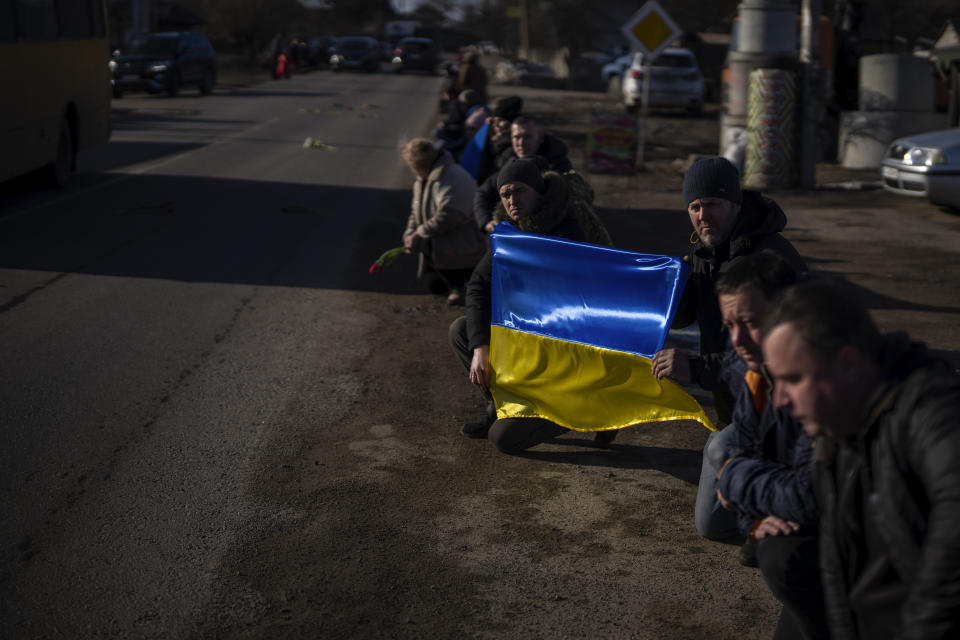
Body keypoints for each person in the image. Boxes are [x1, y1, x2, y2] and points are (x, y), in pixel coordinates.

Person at [762, 278, 960, 640]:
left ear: (848, 363)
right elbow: (841, 576)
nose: (780, 401)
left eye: (792, 379)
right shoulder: (837, 429)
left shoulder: (931, 407)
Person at [696, 253, 827, 640]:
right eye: (730, 325)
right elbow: (757, 456)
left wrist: (737, 480)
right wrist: (756, 519)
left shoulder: (830, 378)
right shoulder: (754, 374)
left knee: (785, 557)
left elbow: (818, 489)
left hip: (876, 554)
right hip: (826, 531)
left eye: (751, 322)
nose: (737, 340)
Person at [449, 158, 613, 449]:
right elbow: (478, 285)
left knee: (504, 440)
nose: (512, 200)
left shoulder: (567, 229)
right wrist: (481, 348)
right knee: (462, 330)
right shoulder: (511, 231)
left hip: (566, 350)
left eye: (520, 191)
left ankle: (597, 412)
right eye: (505, 194)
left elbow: (571, 303)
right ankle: (504, 406)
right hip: (524, 338)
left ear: (538, 191)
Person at [651, 156, 805, 426]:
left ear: (736, 204)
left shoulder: (769, 261)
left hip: (779, 406)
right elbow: (681, 320)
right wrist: (675, 289)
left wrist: (698, 368)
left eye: (712, 205)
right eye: (694, 207)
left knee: (723, 454)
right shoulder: (704, 255)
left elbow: (778, 354)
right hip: (730, 398)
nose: (703, 216)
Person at [401, 138, 486, 305]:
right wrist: (410, 233)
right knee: (432, 284)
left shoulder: (452, 176)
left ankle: (463, 287)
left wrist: (421, 232)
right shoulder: (423, 178)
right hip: (438, 247)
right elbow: (416, 210)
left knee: (449, 280)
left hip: (461, 245)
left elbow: (451, 214)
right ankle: (455, 285)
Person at [473, 116, 575, 233]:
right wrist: (486, 221)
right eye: (517, 137)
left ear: (541, 137)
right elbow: (483, 193)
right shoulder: (506, 162)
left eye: (527, 137)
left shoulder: (559, 165)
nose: (521, 143)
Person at [475, 96, 523, 185]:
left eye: (501, 120)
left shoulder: (512, 148)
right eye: (494, 121)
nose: (496, 125)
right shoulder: (493, 141)